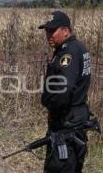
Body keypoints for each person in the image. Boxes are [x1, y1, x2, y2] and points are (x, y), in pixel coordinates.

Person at [39, 11, 92, 173]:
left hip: (66, 122)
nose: (49, 35)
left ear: (66, 31)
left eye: (53, 30)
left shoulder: (68, 54)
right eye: (47, 30)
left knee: (59, 166)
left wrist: (52, 108)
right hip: (76, 119)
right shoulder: (78, 48)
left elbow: (64, 90)